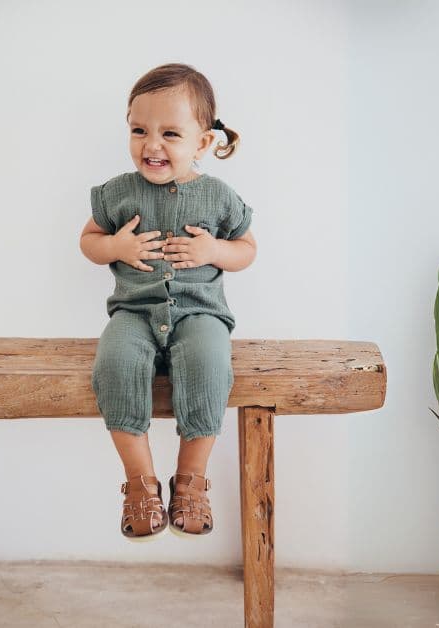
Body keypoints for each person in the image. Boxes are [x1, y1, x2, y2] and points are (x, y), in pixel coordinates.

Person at [79, 63, 258, 540]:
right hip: (134, 313)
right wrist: (114, 247)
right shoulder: (117, 192)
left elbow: (247, 249)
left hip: (200, 314)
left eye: (170, 134)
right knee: (113, 364)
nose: (151, 145)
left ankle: (191, 481)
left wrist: (214, 250)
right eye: (139, 130)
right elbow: (89, 241)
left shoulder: (219, 197)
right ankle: (141, 483)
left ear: (202, 143)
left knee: (209, 363)